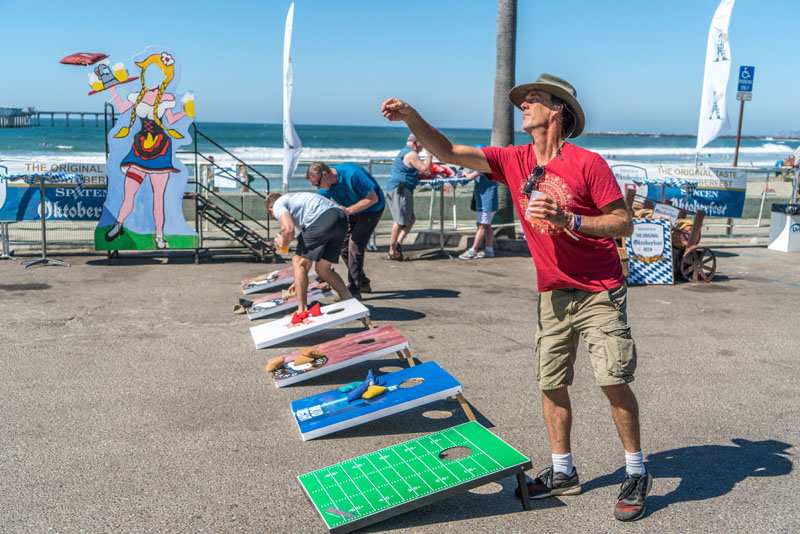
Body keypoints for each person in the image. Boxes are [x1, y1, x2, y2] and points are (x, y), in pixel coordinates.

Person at [381, 73, 650, 522]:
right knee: (550, 381)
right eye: (522, 99)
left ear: (557, 110)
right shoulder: (515, 159)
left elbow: (623, 223)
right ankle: (563, 470)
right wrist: (411, 116)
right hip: (553, 292)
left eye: (534, 99)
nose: (523, 104)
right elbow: (448, 152)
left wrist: (571, 220)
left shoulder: (588, 163)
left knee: (612, 379)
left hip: (600, 290)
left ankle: (637, 470)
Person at [265, 191, 352, 322]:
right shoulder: (297, 201)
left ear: (270, 208)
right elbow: (308, 256)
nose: (275, 217)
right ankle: (349, 300)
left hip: (323, 219)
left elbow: (288, 230)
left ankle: (302, 309)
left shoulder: (278, 204)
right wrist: (299, 280)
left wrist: (282, 242)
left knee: (297, 261)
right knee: (323, 269)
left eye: (271, 214)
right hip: (341, 219)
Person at [306, 162, 385, 298]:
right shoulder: (325, 185)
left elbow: (373, 198)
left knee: (354, 245)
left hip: (371, 209)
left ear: (325, 175)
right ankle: (363, 282)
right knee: (343, 246)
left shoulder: (352, 174)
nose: (318, 188)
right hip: (352, 211)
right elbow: (318, 206)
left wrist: (348, 210)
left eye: (317, 184)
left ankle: (354, 289)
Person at [385, 133, 434, 260]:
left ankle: (398, 244)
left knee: (410, 219)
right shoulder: (412, 154)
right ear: (415, 143)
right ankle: (392, 249)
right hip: (400, 189)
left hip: (399, 188)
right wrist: (430, 155)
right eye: (422, 143)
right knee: (400, 221)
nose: (423, 146)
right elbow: (426, 170)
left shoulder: (404, 152)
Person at [459, 166, 498, 259]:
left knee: (482, 225)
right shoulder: (478, 165)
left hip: (489, 200)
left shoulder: (485, 166)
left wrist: (465, 174)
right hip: (481, 198)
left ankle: (473, 250)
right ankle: (489, 250)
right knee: (486, 225)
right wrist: (463, 172)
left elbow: (470, 176)